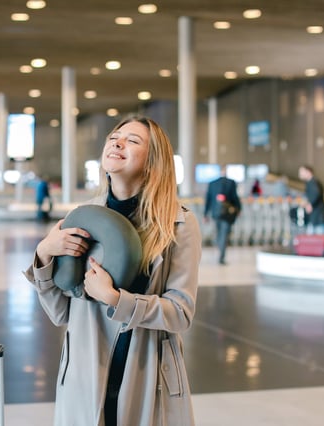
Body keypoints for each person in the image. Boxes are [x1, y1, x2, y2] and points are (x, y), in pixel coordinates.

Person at [23, 116, 202, 426]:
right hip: (85, 374)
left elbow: (180, 312)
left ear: (153, 161)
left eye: (133, 140)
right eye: (114, 137)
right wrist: (44, 253)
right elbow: (61, 313)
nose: (117, 143)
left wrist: (116, 299)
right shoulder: (83, 218)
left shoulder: (178, 224)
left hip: (147, 373)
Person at [204, 165, 241, 265]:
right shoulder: (231, 183)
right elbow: (235, 198)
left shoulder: (212, 183)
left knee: (218, 233)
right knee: (224, 234)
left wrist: (205, 214)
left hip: (215, 213)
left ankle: (220, 251)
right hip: (227, 214)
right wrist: (238, 209)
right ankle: (221, 254)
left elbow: (208, 199)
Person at [298, 165, 324, 235]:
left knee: (319, 240)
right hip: (316, 217)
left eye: (302, 172)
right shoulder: (311, 182)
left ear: (308, 172)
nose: (300, 174)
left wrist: (310, 204)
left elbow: (316, 193)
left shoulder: (313, 182)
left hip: (318, 217)